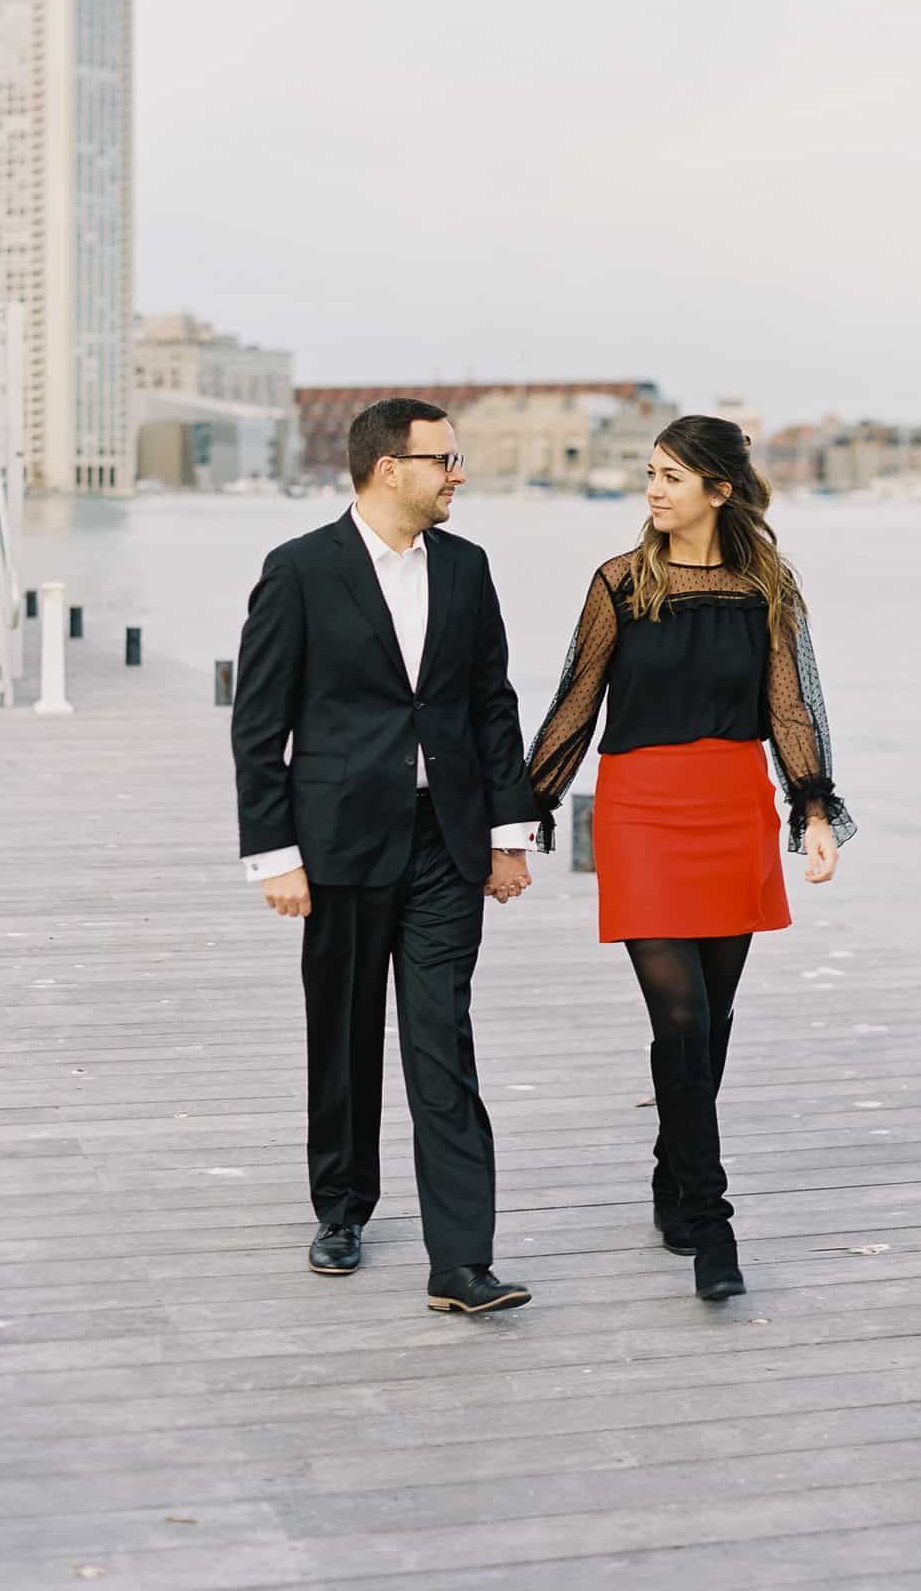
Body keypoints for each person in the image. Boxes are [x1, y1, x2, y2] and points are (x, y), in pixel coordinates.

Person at [526, 415, 854, 1301]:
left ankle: (673, 1177)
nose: (653, 490)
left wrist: (813, 807)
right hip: (641, 810)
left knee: (712, 1016)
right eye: (650, 473)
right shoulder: (620, 582)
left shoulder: (767, 586)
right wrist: (526, 808)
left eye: (672, 476)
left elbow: (790, 707)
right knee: (680, 1016)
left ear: (720, 490)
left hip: (733, 807)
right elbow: (576, 702)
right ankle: (713, 1225)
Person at [231, 398, 537, 1314]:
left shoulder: (467, 567)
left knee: (443, 1040)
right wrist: (274, 855)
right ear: (386, 468)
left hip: (446, 841)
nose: (458, 475)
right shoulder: (298, 570)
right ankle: (342, 1207)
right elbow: (258, 727)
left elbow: (492, 704)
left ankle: (462, 1263)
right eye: (443, 460)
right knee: (345, 1035)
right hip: (339, 845)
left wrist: (509, 834)